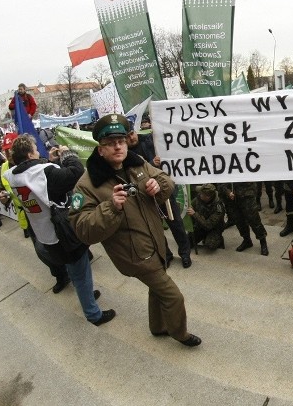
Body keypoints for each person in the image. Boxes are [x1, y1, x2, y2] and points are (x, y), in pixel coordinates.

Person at [70, 114, 200, 346]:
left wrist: (157, 185)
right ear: (100, 149)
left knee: (156, 287)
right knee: (173, 295)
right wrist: (111, 207)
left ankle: (157, 326)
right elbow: (82, 229)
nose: (118, 147)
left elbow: (167, 182)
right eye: (110, 143)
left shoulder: (136, 162)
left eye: (120, 141)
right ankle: (180, 333)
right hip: (133, 254)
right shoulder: (87, 184)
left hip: (155, 244)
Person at [3, 134, 115, 326]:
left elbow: (41, 180)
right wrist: (67, 154)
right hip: (63, 234)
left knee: (74, 270)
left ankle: (85, 294)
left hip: (45, 234)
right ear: (30, 154)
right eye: (35, 149)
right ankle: (93, 314)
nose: (39, 151)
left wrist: (50, 161)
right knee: (80, 271)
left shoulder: (13, 175)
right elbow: (76, 171)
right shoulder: (43, 173)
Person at [0, 132, 71, 293]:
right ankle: (60, 275)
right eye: (5, 150)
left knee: (63, 245)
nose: (8, 154)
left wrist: (53, 161)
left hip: (49, 215)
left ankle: (74, 266)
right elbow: (4, 190)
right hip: (28, 217)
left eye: (10, 150)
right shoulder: (3, 170)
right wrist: (4, 198)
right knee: (42, 251)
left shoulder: (37, 164)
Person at [126, 124, 192, 267]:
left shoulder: (150, 140)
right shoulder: (125, 156)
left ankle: (185, 253)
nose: (131, 138)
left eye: (132, 133)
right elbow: (134, 174)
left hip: (164, 192)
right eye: (126, 136)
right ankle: (166, 254)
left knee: (176, 225)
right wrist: (152, 163)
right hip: (146, 197)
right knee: (156, 229)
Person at [222, 181, 269, 255]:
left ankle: (263, 241)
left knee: (254, 219)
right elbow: (221, 182)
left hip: (246, 195)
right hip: (232, 199)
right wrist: (228, 192)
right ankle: (247, 240)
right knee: (239, 221)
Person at [187, 184, 225, 250]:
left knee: (210, 245)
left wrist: (194, 214)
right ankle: (203, 236)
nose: (199, 194)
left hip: (213, 229)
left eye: (201, 193)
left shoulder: (218, 207)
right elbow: (191, 205)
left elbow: (208, 225)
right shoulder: (199, 198)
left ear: (208, 197)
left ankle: (219, 239)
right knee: (187, 242)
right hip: (200, 226)